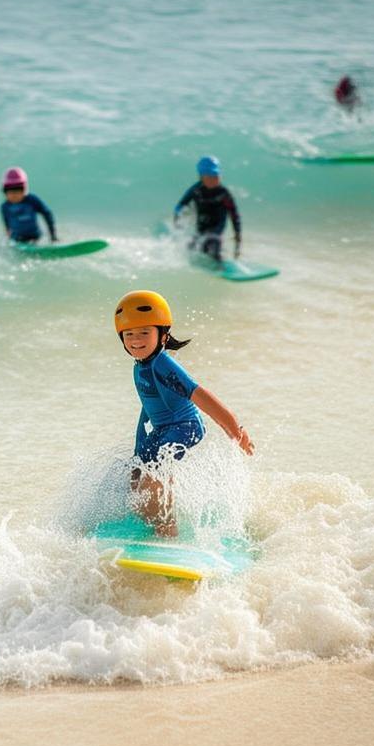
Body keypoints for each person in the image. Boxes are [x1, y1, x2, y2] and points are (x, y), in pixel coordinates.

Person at [114, 290, 253, 536]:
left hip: (184, 426)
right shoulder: (141, 366)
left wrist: (234, 429)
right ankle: (152, 524)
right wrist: (139, 448)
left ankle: (168, 531)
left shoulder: (162, 364)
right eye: (129, 334)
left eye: (144, 332)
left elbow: (199, 394)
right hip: (161, 430)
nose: (136, 340)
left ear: (163, 335)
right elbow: (147, 407)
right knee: (136, 479)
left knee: (156, 476)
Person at [173, 156, 242, 262]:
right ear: (201, 177)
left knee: (213, 245)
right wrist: (178, 221)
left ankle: (220, 263)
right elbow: (180, 206)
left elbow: (234, 214)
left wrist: (237, 234)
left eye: (216, 175)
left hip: (217, 227)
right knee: (192, 248)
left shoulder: (224, 193)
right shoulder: (196, 190)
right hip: (201, 226)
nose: (214, 179)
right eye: (210, 176)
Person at [0, 167, 56, 243]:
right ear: (5, 191)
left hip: (35, 238)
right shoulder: (5, 207)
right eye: (10, 191)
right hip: (18, 240)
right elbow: (7, 226)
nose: (14, 194)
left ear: (24, 189)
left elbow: (47, 213)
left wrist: (53, 236)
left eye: (18, 189)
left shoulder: (32, 200)